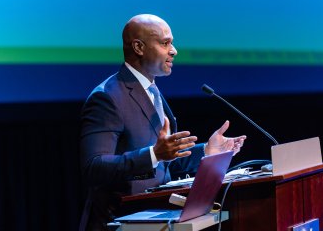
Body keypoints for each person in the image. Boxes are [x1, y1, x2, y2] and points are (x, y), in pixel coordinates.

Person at [79, 14, 247, 231]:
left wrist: (206, 151)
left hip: (155, 219)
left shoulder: (152, 91)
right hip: (118, 223)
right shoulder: (107, 97)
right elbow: (93, 168)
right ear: (139, 47)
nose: (174, 50)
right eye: (165, 43)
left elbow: (162, 166)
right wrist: (154, 154)